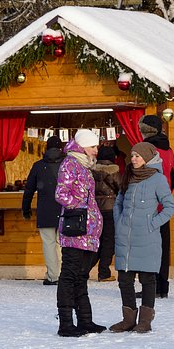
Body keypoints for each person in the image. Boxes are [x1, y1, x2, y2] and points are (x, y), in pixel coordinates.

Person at [109, 142, 174, 334]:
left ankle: (145, 321)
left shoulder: (158, 179)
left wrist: (151, 224)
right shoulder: (128, 176)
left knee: (147, 279)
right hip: (126, 237)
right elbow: (119, 202)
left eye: (137, 156)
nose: (133, 159)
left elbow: (169, 207)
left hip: (147, 237)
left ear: (147, 157)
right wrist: (119, 220)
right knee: (124, 279)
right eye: (132, 156)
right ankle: (128, 320)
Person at [54, 129, 105, 337]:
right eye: (93, 147)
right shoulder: (70, 164)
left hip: (89, 231)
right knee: (69, 275)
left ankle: (85, 320)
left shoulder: (84, 166)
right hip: (76, 230)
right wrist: (81, 208)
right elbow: (61, 194)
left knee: (81, 276)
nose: (96, 151)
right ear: (83, 146)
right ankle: (66, 323)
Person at [138, 114, 174, 298]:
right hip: (164, 205)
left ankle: (150, 287)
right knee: (163, 246)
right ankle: (163, 286)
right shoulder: (169, 150)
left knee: (148, 247)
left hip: (148, 206)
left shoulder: (145, 149)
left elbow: (139, 176)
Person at [21, 135, 64, 285]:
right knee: (61, 243)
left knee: (49, 243)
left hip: (45, 209)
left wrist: (25, 209)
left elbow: (29, 190)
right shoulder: (67, 165)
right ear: (61, 148)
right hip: (64, 209)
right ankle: (63, 275)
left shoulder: (38, 166)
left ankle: (53, 276)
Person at [91, 145, 121, 282]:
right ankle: (104, 272)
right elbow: (121, 189)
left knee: (96, 241)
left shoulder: (91, 170)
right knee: (109, 241)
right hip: (110, 209)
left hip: (95, 209)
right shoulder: (114, 171)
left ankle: (84, 270)